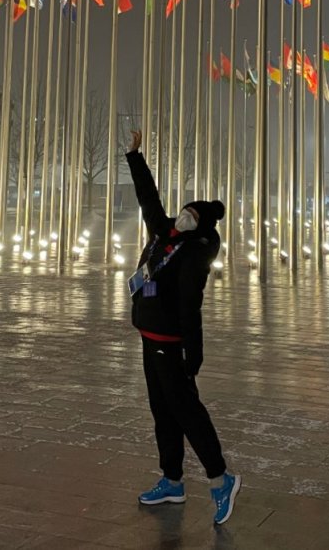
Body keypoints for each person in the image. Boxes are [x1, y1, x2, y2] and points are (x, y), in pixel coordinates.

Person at [125, 128, 240, 525]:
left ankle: (221, 478)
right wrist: (134, 156)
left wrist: (194, 352)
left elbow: (192, 306)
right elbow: (148, 198)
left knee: (187, 411)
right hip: (149, 334)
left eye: (192, 216)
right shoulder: (165, 233)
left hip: (172, 341)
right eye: (185, 211)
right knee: (161, 410)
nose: (184, 216)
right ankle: (172, 480)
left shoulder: (194, 254)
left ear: (202, 226)